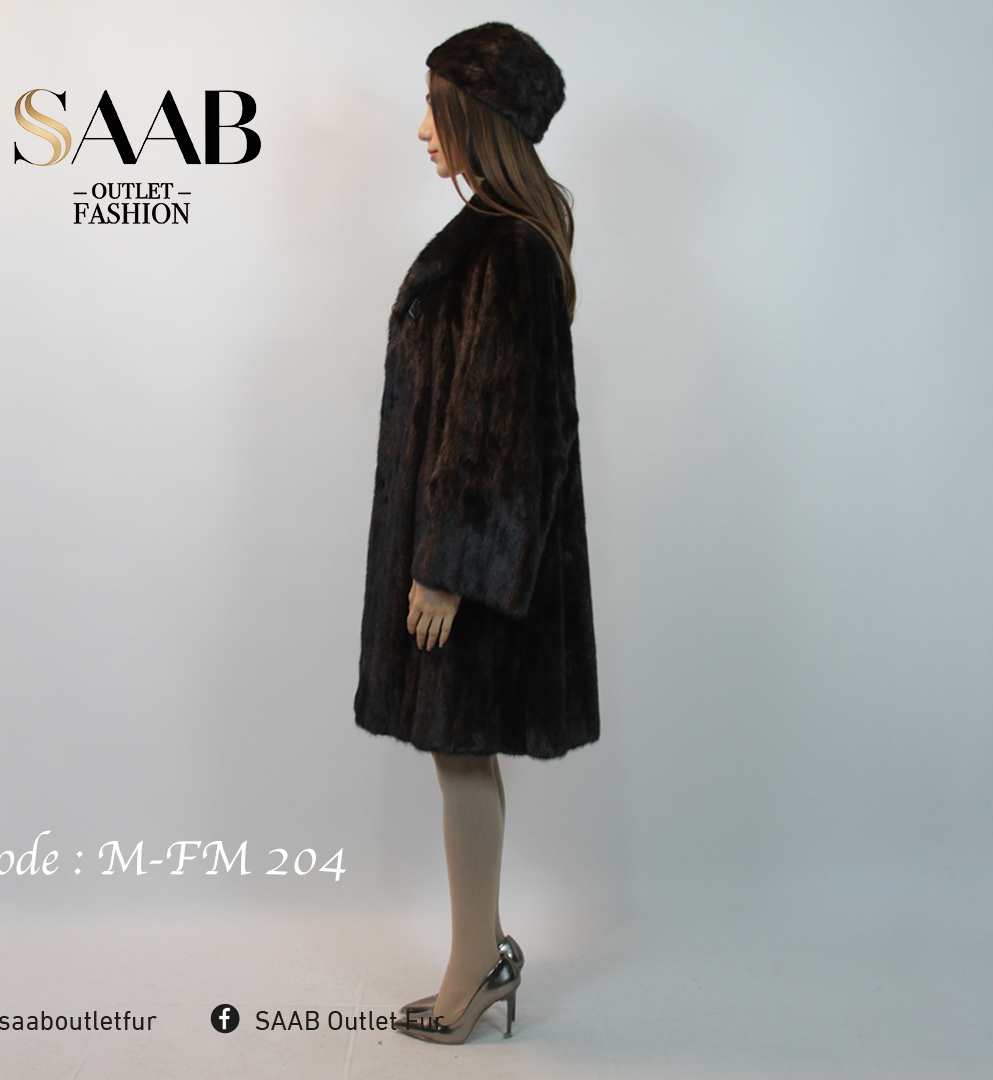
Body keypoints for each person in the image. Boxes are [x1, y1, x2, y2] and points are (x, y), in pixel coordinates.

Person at [354, 22, 600, 1045]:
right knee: (459, 753)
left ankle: (474, 971)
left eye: (436, 108)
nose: (422, 129)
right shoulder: (497, 236)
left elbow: (501, 424)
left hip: (473, 563)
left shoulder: (508, 249)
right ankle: (482, 954)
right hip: (464, 552)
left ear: (480, 117)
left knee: (461, 753)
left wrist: (447, 568)